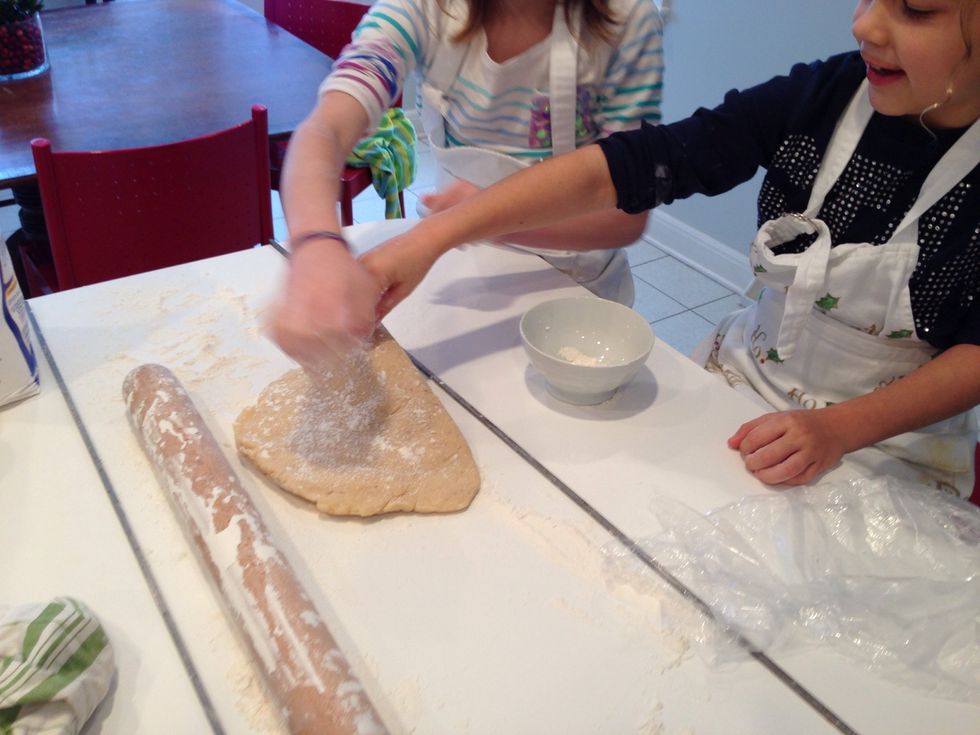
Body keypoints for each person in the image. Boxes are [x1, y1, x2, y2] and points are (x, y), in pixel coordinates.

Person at [350, 0, 980, 496]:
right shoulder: (825, 96)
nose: (863, 23)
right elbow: (628, 168)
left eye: (915, 9)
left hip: (891, 443)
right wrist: (436, 236)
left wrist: (840, 428)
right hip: (746, 379)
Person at [268, 0, 665, 366]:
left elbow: (625, 217)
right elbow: (326, 130)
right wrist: (316, 244)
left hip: (578, 291)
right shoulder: (426, 10)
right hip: (459, 270)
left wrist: (468, 218)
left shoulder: (624, 20)